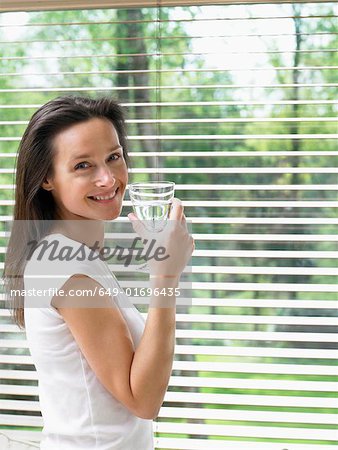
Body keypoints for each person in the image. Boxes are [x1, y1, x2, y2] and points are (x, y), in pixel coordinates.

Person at [3, 96, 194, 449]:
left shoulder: (74, 257)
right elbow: (143, 400)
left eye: (113, 157)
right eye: (83, 166)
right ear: (47, 178)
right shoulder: (66, 268)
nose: (108, 179)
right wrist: (165, 277)